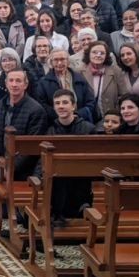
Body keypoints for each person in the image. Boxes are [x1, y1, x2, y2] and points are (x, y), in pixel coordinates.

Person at [41, 89, 97, 227]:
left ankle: (80, 210)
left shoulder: (88, 129)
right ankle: (56, 215)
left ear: (73, 106)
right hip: (57, 178)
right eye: (57, 103)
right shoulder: (50, 130)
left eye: (65, 102)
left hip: (81, 178)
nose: (61, 106)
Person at [0, 69, 48, 163]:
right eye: (11, 80)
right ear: (6, 84)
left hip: (23, 169)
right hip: (0, 164)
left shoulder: (36, 110)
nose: (14, 84)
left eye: (18, 81)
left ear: (25, 85)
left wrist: (11, 167)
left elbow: (31, 146)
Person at [33, 49, 95, 123]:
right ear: (51, 62)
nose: (59, 63)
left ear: (68, 61)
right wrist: (61, 116)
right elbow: (42, 104)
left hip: (80, 122)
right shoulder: (44, 82)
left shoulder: (80, 79)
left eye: (62, 59)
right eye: (56, 60)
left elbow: (90, 101)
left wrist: (77, 115)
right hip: (55, 124)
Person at [79, 41, 129, 118]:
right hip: (88, 118)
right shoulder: (79, 72)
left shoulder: (115, 71)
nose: (98, 55)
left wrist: (116, 112)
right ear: (88, 54)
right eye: (94, 52)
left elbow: (124, 95)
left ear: (106, 56)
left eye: (102, 53)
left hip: (111, 117)